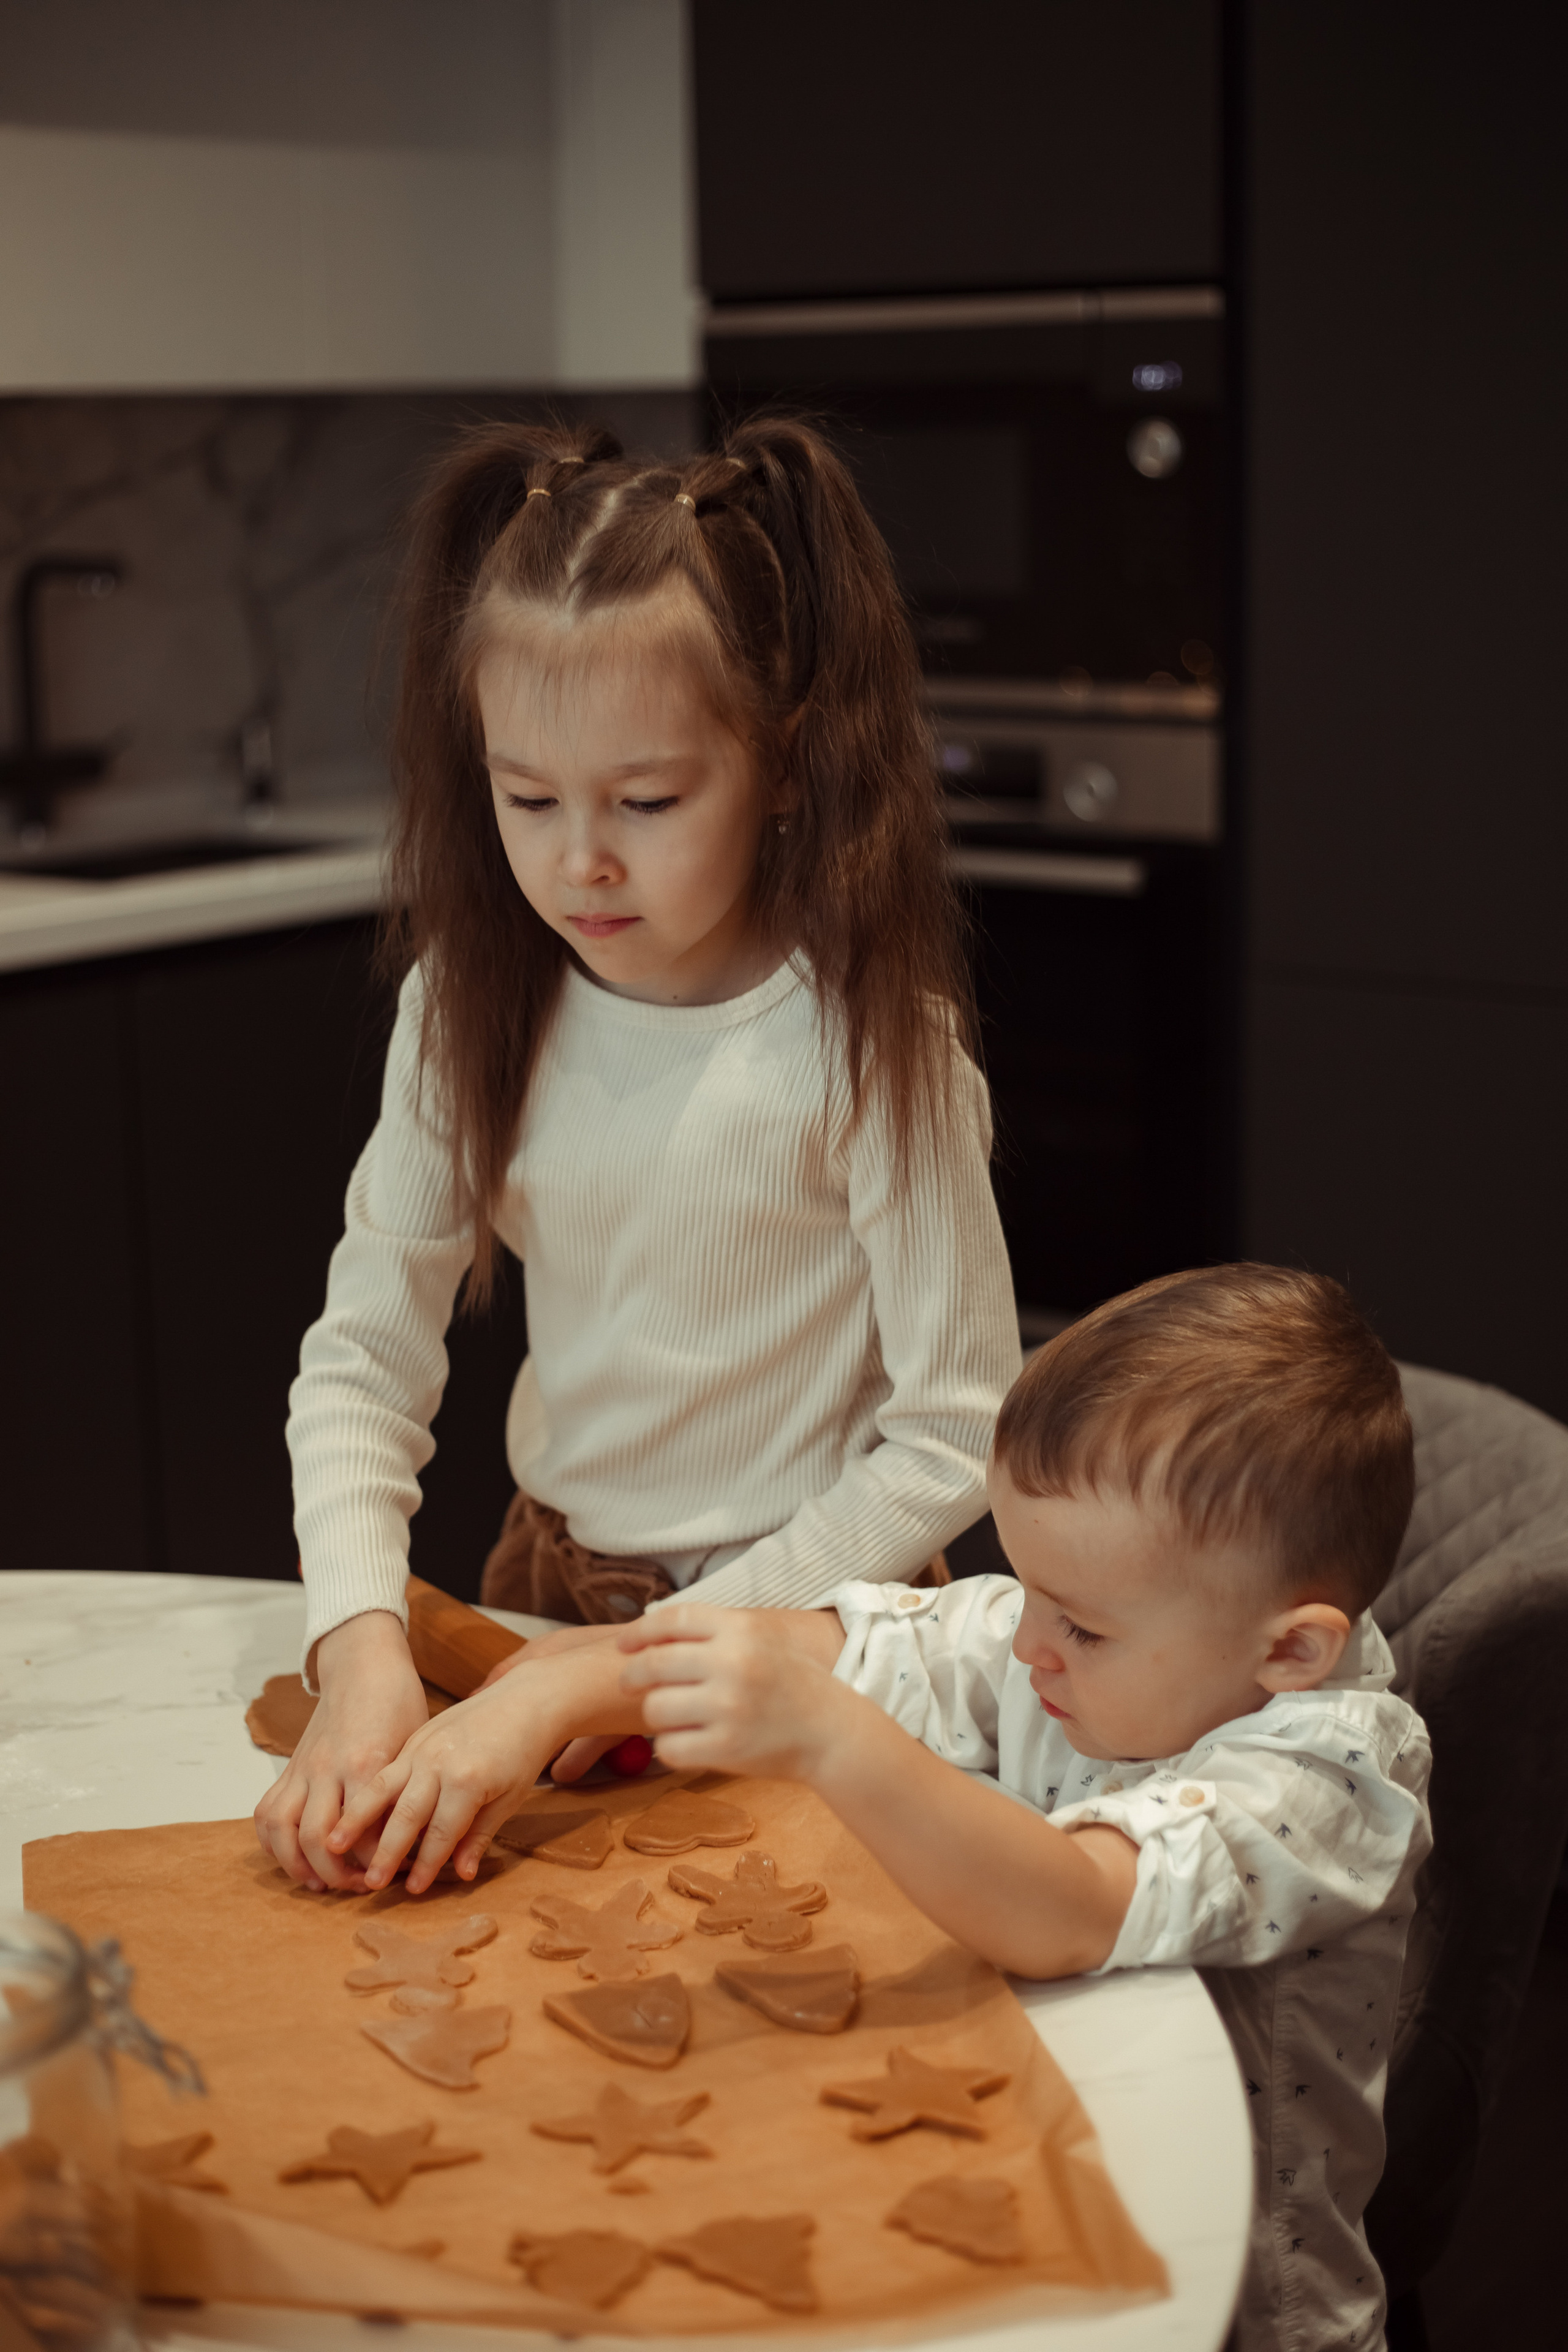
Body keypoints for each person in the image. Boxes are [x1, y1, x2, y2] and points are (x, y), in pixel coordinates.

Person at [331, 1262, 1430, 2352]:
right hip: (1029, 2191)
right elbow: (848, 1646)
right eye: (1027, 1590)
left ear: (1292, 1652)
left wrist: (832, 1736)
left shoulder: (1330, 1777)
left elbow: (1074, 1909)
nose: (1027, 1642)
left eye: (1082, 1626)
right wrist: (562, 1692)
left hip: (1235, 2296)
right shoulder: (1087, 1638)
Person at [255, 415, 1020, 1894]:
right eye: (526, 797)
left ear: (784, 760)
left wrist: (619, 1676)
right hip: (548, 1591)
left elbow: (956, 1431)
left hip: (808, 1625)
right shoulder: (466, 1005)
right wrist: (358, 1649)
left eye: (647, 802)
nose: (578, 860)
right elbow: (360, 1364)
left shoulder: (870, 1045)